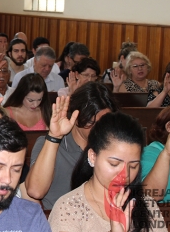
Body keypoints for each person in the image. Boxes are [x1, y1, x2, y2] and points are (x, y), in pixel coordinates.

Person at [49, 112, 166, 232]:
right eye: (114, 164)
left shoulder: (146, 205)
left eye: (133, 166)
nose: (124, 174)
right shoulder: (69, 209)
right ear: (93, 156)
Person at [26, 82, 119, 210]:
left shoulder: (113, 148)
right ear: (76, 116)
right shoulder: (48, 144)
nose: (98, 128)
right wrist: (54, 137)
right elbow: (35, 191)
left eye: (104, 122)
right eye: (91, 122)